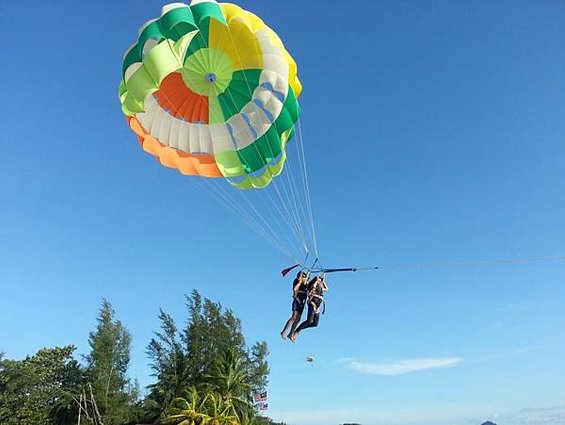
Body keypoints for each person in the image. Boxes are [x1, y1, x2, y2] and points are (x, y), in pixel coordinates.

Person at [289, 275, 328, 342]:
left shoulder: (320, 287)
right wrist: (316, 280)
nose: (320, 281)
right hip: (312, 304)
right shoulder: (312, 286)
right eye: (319, 280)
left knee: (315, 324)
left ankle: (300, 329)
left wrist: (323, 282)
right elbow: (313, 286)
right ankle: (297, 331)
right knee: (309, 320)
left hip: (318, 306)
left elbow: (327, 289)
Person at [280, 271, 309, 340]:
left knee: (298, 319)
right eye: (303, 277)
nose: (305, 278)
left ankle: (290, 333)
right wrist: (300, 281)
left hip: (302, 302)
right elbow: (295, 289)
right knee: (294, 317)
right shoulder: (296, 281)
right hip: (297, 300)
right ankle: (284, 331)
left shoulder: (306, 284)